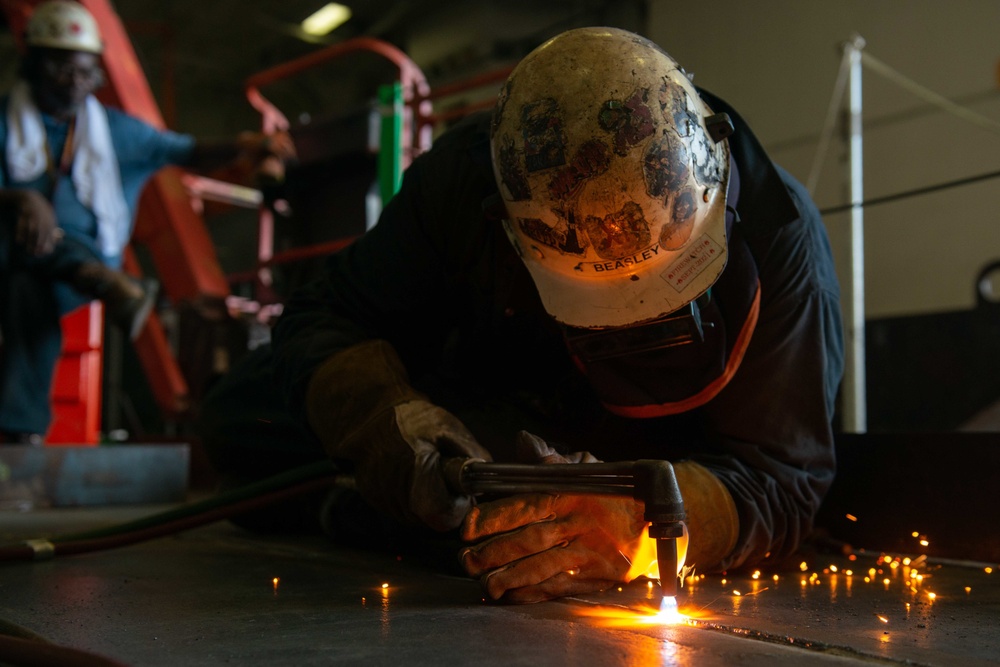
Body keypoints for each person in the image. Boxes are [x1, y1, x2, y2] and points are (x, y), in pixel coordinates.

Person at [199, 27, 844, 604]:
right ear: (507, 226)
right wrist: (382, 418)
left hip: (651, 460)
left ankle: (346, 510)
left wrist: (642, 522)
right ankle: (370, 496)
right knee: (237, 418)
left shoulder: (781, 239)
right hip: (480, 416)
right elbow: (323, 314)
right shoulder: (463, 180)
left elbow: (783, 478)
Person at [0, 0, 295, 445]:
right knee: (23, 276)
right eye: (61, 68)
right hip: (13, 259)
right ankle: (97, 282)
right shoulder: (5, 120)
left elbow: (187, 151)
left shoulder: (116, 132)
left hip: (72, 272)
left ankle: (18, 439)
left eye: (85, 71)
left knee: (31, 286)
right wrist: (21, 198)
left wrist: (245, 146)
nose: (75, 82)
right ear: (33, 62)